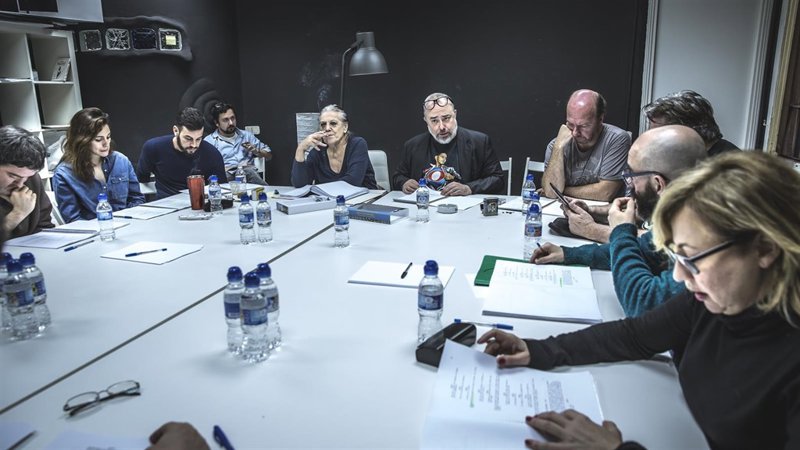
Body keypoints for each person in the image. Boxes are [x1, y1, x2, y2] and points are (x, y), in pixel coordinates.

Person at [480, 151, 800, 449]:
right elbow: (634, 336)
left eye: (692, 259)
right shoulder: (709, 300)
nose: (678, 276)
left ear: (765, 249)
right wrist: (539, 349)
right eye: (675, 256)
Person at [534, 125, 706, 317]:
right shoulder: (682, 217)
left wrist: (622, 231)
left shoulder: (703, 235)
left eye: (632, 175)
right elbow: (644, 249)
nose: (629, 184)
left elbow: (642, 303)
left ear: (658, 184)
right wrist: (568, 254)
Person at [392, 93, 504, 196]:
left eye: (446, 118)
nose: (441, 127)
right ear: (426, 121)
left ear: (455, 114)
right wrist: (404, 183)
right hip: (425, 206)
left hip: (465, 207)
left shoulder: (479, 142)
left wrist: (469, 188)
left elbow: (498, 179)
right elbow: (398, 177)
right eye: (434, 121)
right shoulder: (413, 146)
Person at [52, 107, 144, 223]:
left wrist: (129, 221)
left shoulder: (121, 161)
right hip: (94, 231)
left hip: (129, 226)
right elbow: (73, 220)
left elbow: (136, 199)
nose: (106, 143)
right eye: (98, 139)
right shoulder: (64, 174)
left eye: (108, 137)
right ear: (82, 140)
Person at [541, 89, 630, 202]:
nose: (575, 133)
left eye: (583, 126)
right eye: (570, 124)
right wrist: (558, 148)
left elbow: (606, 193)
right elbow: (550, 192)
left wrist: (561, 191)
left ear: (600, 119)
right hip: (563, 210)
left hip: (604, 212)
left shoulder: (617, 139)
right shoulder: (556, 144)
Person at [137, 107, 227, 199]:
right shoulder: (154, 148)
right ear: (176, 131)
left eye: (198, 139)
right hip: (166, 203)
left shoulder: (212, 154)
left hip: (199, 203)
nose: (194, 145)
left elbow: (222, 189)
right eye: (188, 138)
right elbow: (142, 177)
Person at [291, 104, 379, 189]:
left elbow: (353, 182)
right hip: (328, 198)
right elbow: (300, 185)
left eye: (333, 123)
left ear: (345, 127)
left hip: (366, 197)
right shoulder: (318, 150)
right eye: (323, 124)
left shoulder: (357, 144)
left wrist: (319, 189)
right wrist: (300, 149)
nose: (327, 128)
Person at [643, 90, 738, 156]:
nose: (654, 142)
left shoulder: (728, 168)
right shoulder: (693, 156)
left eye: (659, 134)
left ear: (690, 129)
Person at [0, 125, 54, 238]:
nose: (20, 184)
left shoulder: (32, 179)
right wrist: (18, 213)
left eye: (27, 177)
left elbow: (45, 226)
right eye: (12, 176)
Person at [204, 102, 272, 185]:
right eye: (226, 120)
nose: (231, 123)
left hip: (248, 176)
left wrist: (256, 151)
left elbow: (269, 155)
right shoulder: (209, 141)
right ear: (217, 123)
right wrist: (220, 169)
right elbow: (205, 167)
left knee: (249, 171)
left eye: (232, 118)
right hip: (225, 178)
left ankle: (267, 190)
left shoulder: (247, 136)